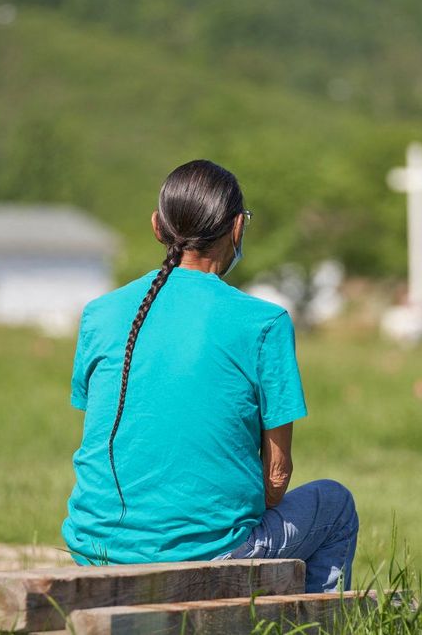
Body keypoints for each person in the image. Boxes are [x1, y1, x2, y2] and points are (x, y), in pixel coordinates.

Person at [61, 159, 359, 593]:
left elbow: (114, 435)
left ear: (156, 227)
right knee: (335, 505)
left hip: (93, 550)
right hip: (207, 555)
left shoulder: (99, 314)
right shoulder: (264, 322)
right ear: (237, 228)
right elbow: (276, 478)